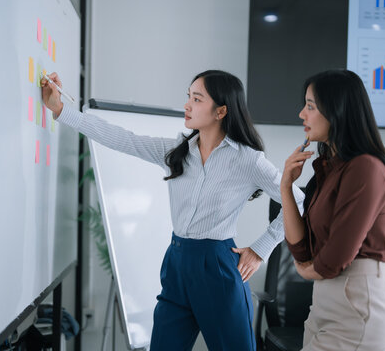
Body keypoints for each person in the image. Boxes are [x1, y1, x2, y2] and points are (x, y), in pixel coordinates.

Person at [41, 70, 305, 351]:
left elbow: (298, 200)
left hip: (218, 266)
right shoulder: (177, 151)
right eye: (188, 97)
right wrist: (60, 110)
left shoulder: (248, 160)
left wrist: (261, 248)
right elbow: (121, 139)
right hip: (177, 263)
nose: (187, 105)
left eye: (197, 99)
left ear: (221, 111)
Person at [280, 69, 385, 351]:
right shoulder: (329, 168)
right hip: (324, 307)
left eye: (310, 106)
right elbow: (303, 250)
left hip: (357, 314)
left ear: (337, 111)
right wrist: (285, 187)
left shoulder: (366, 168)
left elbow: (334, 259)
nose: (302, 114)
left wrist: (305, 271)